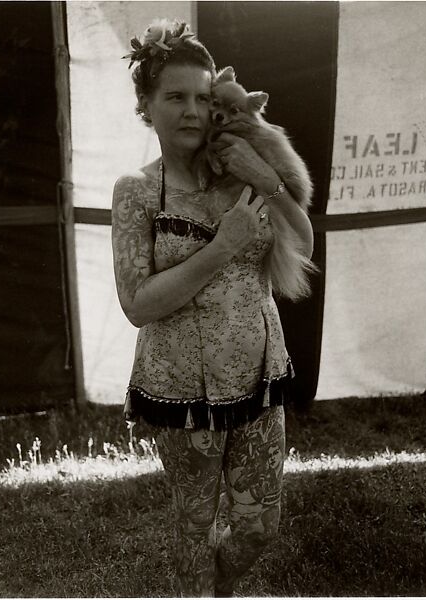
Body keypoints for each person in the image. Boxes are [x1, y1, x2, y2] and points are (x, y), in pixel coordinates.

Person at [112, 19, 314, 597]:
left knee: (260, 528)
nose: (195, 111)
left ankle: (215, 590)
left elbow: (303, 242)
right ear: (146, 106)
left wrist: (267, 182)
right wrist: (222, 248)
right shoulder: (136, 191)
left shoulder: (241, 167)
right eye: (175, 96)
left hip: (259, 378)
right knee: (194, 524)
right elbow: (136, 304)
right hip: (182, 392)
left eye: (204, 96)